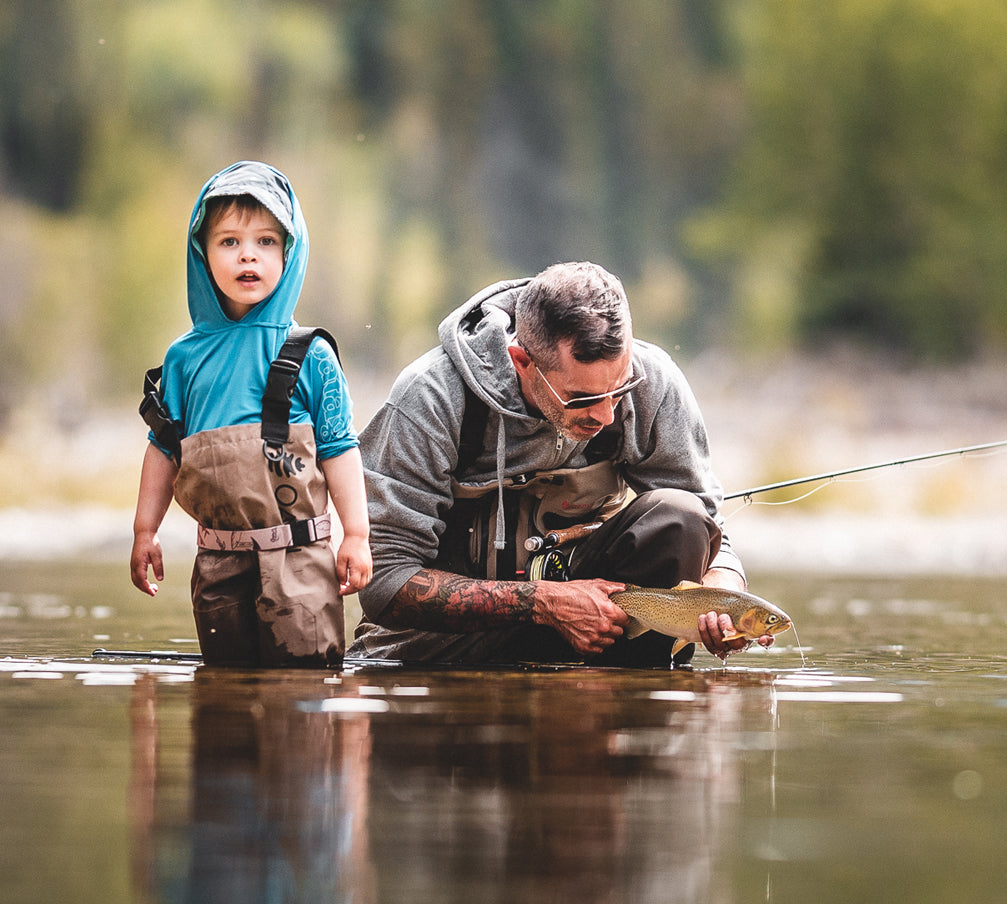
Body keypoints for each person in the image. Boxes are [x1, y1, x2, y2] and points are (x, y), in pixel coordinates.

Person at [350, 261, 772, 667]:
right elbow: (384, 581)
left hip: (596, 629)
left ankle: (630, 709)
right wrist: (543, 602)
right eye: (583, 398)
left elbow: (709, 528)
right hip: (444, 648)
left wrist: (724, 598)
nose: (607, 415)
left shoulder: (652, 382)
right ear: (523, 362)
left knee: (679, 517)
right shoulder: (430, 398)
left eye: (619, 389)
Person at [129, 160, 372, 667]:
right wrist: (144, 531)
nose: (248, 256)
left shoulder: (311, 353)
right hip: (217, 561)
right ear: (202, 252)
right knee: (224, 700)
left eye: (266, 242)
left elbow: (338, 448)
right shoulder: (184, 359)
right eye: (229, 242)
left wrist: (357, 534)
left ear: (290, 252)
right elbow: (163, 451)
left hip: (301, 560)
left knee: (305, 694)